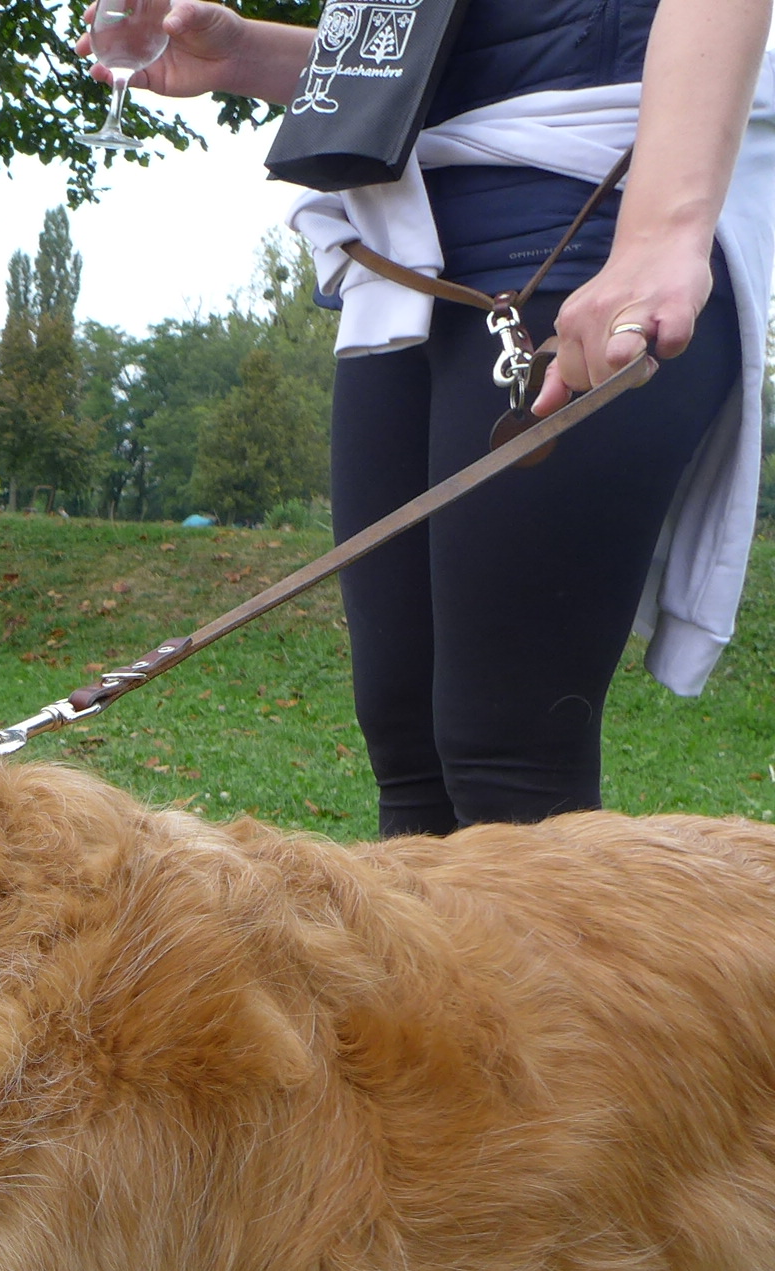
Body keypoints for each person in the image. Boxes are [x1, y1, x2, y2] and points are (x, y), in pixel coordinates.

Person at [120, 0, 775, 835]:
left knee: (508, 759)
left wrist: (664, 230)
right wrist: (245, 56)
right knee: (407, 749)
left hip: (585, 211)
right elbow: (464, 47)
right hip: (403, 250)